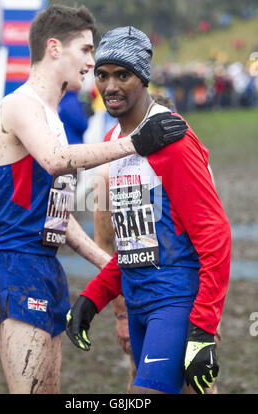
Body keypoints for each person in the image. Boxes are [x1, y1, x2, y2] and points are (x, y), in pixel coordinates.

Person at [0, 5, 188, 394]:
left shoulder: (52, 118)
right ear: (54, 48)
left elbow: (57, 220)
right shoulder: (19, 104)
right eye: (86, 50)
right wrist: (134, 143)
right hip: (13, 265)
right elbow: (56, 161)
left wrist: (112, 270)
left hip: (45, 267)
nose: (92, 62)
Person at [66, 26, 231, 395]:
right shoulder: (113, 143)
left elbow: (214, 234)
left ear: (143, 78)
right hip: (141, 306)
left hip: (174, 304)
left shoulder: (171, 139)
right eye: (103, 75)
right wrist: (93, 299)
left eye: (122, 75)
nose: (110, 86)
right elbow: (132, 245)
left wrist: (204, 325)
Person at [93, 92, 221, 394]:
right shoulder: (107, 173)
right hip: (140, 295)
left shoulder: (194, 164)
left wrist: (210, 319)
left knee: (199, 380)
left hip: (182, 294)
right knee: (142, 375)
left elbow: (211, 244)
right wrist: (121, 315)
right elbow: (105, 245)